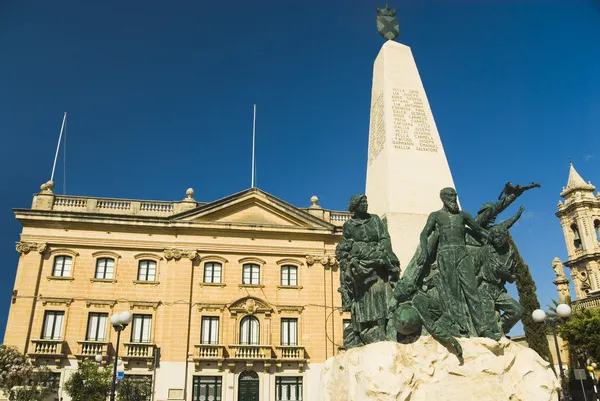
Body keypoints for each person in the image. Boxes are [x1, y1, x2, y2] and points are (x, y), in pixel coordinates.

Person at [418, 187, 501, 340]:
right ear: (443, 198)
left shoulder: (463, 215)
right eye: (450, 196)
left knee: (472, 291)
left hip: (462, 253)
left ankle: (483, 329)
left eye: (455, 196)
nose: (454, 199)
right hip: (445, 254)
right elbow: (424, 233)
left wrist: (493, 238)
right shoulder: (436, 216)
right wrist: (424, 250)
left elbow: (478, 230)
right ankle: (459, 327)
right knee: (452, 294)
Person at [336, 194, 400, 346]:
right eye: (362, 202)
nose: (365, 204)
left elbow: (384, 237)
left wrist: (383, 250)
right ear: (355, 206)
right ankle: (367, 329)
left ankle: (383, 328)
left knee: (383, 292)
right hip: (362, 265)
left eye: (366, 202)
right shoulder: (349, 225)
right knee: (365, 299)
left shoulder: (375, 219)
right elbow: (345, 246)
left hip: (378, 261)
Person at [474, 210, 524, 335]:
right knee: (489, 323)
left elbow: (512, 278)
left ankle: (501, 329)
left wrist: (506, 275)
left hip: (499, 290)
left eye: (499, 237)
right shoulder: (485, 251)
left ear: (505, 237)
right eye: (494, 237)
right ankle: (495, 332)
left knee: (518, 311)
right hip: (484, 288)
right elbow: (473, 270)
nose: (496, 240)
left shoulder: (511, 254)